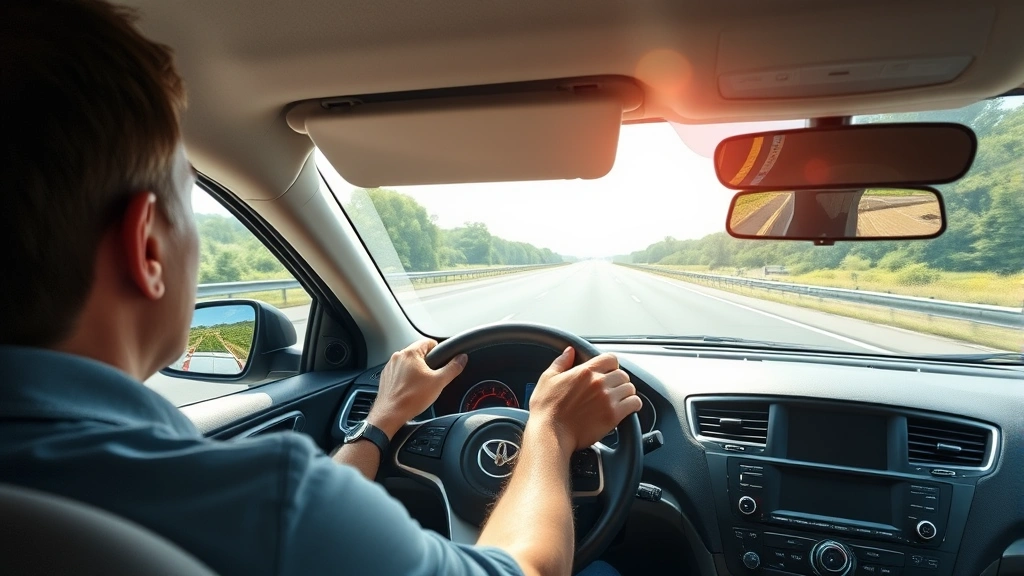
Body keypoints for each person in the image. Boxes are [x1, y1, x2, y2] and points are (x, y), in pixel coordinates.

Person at [0, 2, 642, 576]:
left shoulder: (247, 510)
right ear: (146, 247)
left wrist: (384, 421)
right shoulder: (270, 503)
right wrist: (550, 431)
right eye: (186, 215)